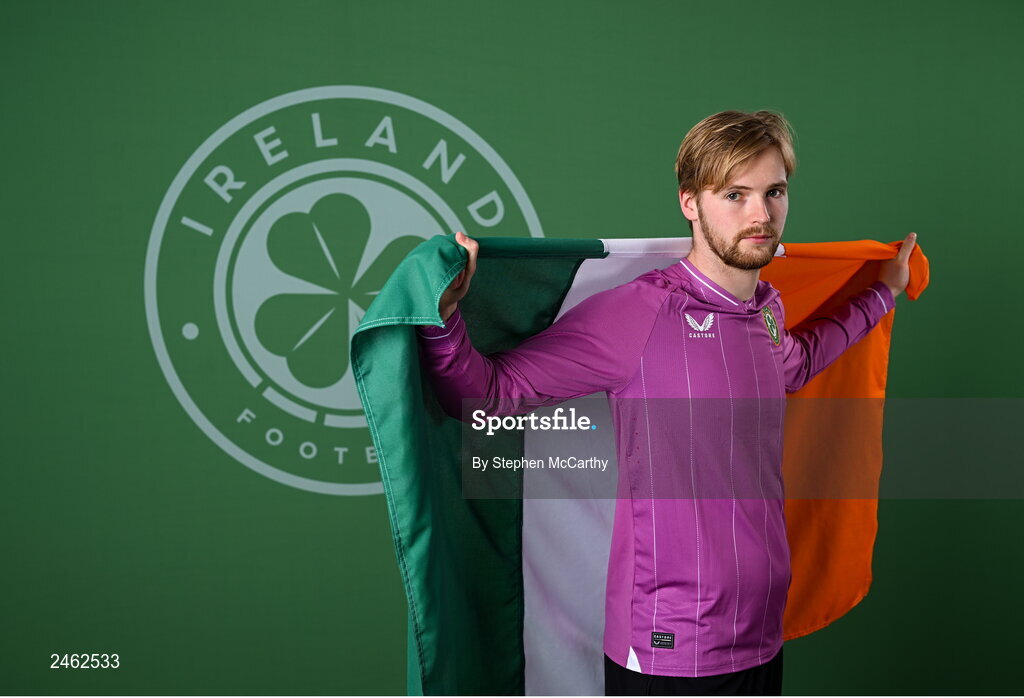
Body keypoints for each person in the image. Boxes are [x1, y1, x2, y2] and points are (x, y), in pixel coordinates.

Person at [416, 110, 916, 696]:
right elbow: (486, 394)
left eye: (774, 191)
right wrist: (444, 317)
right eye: (735, 194)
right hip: (668, 646)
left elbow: (796, 363)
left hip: (760, 629)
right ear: (690, 203)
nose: (761, 215)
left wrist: (883, 291)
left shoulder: (768, 312)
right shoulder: (639, 313)